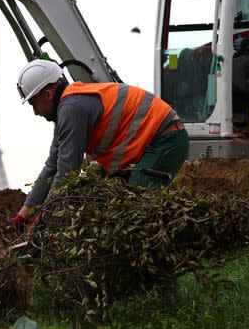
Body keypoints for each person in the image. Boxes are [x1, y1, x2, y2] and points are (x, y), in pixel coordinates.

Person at [12, 60, 189, 225]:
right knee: (100, 198)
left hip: (165, 141)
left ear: (48, 94)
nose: (35, 112)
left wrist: (45, 217)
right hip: (151, 145)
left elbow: (67, 171)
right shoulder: (68, 109)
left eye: (33, 104)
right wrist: (24, 213)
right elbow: (52, 166)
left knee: (135, 209)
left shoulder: (72, 109)